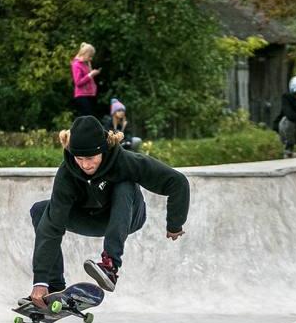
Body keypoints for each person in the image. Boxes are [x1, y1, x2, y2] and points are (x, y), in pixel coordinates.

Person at [28, 116, 188, 305]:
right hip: (92, 218)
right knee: (41, 210)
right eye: (79, 158)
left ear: (103, 151)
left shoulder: (125, 161)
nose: (86, 165)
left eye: (90, 158)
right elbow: (53, 225)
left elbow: (177, 182)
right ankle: (54, 286)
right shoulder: (67, 173)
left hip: (129, 217)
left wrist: (175, 223)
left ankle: (110, 266)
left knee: (124, 184)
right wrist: (40, 280)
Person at [70, 43, 100, 118]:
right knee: (86, 117)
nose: (91, 58)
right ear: (85, 53)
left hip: (89, 94)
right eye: (90, 56)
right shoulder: (76, 64)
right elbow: (78, 82)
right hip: (81, 95)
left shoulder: (85, 64)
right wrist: (90, 75)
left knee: (90, 117)